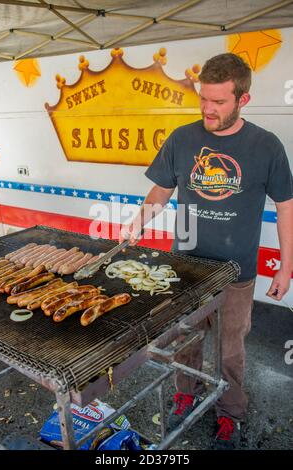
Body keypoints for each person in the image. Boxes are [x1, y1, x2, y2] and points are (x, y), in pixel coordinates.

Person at [120, 53, 293, 450]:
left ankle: (231, 413)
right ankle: (186, 392)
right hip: (186, 270)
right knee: (186, 338)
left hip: (236, 272)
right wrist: (138, 221)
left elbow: (286, 207)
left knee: (232, 347)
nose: (208, 109)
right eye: (203, 99)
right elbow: (162, 190)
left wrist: (286, 267)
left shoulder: (266, 146)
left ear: (242, 100)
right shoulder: (182, 139)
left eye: (218, 102)